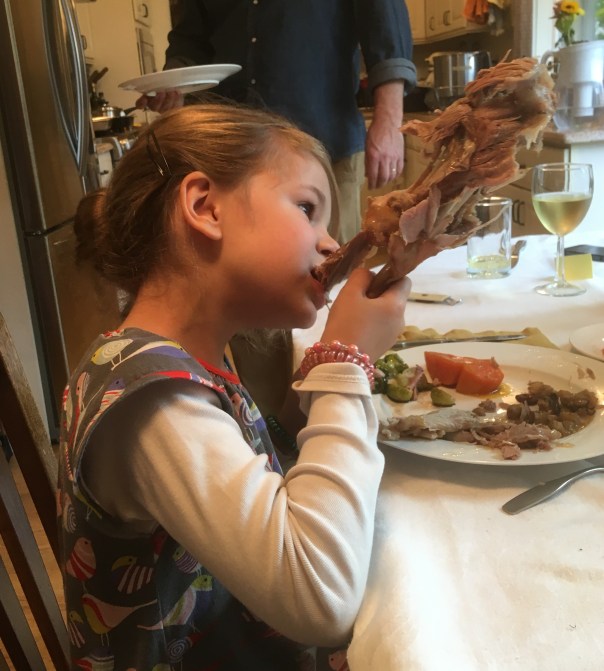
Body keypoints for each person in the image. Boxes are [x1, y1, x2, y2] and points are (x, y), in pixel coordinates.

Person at [58, 102, 411, 670]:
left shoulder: (191, 356)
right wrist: (344, 364)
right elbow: (319, 598)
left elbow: (252, 472)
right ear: (205, 207)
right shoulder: (156, 406)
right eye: (307, 209)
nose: (331, 244)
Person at [138, 0, 417, 244]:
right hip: (230, 152)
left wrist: (390, 124)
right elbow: (190, 40)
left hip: (324, 145)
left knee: (330, 265)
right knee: (239, 265)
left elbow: (385, 24)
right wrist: (173, 80)